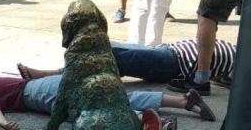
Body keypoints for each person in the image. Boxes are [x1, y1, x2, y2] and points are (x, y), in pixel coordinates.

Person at [0, 73, 215, 130]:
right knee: (116, 96)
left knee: (94, 110)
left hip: (40, 97)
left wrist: (5, 124)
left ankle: (159, 123)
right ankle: (183, 101)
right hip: (48, 84)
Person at [17, 37, 237, 100]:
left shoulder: (240, 62)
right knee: (106, 48)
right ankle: (56, 72)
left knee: (109, 55)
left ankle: (48, 75)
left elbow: (228, 79)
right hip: (168, 50)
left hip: (173, 62)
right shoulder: (239, 52)